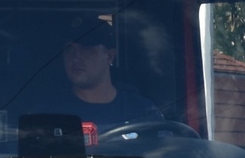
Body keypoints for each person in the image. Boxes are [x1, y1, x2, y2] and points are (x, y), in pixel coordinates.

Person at [34, 13, 162, 135]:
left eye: (86, 48)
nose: (75, 57)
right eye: (69, 49)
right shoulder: (47, 114)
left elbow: (164, 152)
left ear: (110, 56)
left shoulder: (143, 111)